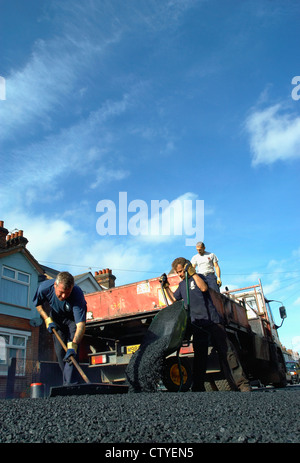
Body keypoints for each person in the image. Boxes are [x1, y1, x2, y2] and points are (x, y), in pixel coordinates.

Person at [162, 258, 251, 392]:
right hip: (197, 324)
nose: (180, 274)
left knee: (227, 352)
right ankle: (198, 387)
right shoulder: (182, 286)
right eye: (178, 272)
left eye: (181, 271)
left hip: (212, 322)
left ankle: (242, 384)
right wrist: (166, 287)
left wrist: (193, 273)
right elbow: (174, 300)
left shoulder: (201, 278)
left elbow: (203, 288)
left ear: (187, 267)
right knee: (200, 356)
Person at [33, 271, 87, 386]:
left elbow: (80, 325)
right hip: (56, 319)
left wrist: (74, 345)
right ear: (55, 286)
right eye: (61, 293)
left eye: (67, 293)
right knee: (60, 353)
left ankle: (72, 384)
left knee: (72, 352)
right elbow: (38, 305)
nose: (64, 296)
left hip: (72, 320)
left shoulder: (77, 294)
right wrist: (47, 319)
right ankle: (67, 382)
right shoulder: (44, 288)